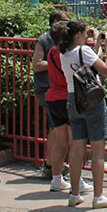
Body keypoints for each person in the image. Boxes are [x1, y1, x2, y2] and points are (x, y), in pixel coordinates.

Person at [60, 20, 107, 208]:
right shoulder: (82, 51)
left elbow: (87, 63)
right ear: (77, 35)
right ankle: (99, 196)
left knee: (77, 148)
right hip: (92, 102)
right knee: (97, 148)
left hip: (73, 100)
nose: (86, 36)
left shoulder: (64, 53)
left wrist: (96, 43)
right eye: (84, 33)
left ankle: (74, 193)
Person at [33, 10, 72, 182]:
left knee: (59, 130)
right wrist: (58, 63)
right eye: (65, 21)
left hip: (61, 89)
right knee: (55, 130)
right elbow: (36, 64)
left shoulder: (65, 40)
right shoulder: (44, 40)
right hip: (49, 88)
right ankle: (50, 165)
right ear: (55, 22)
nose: (68, 23)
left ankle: (55, 165)